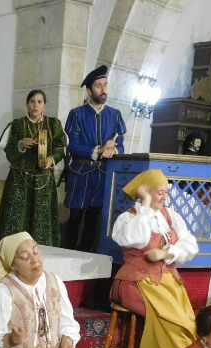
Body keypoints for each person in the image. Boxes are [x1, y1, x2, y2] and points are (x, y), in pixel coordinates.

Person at [110, 169, 198, 348]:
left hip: (167, 282)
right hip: (135, 283)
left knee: (189, 326)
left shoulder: (170, 216)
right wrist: (146, 206)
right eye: (159, 192)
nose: (164, 198)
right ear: (146, 192)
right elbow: (135, 240)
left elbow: (191, 244)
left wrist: (168, 253)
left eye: (166, 193)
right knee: (168, 325)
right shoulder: (128, 218)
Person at [63, 65, 126, 252]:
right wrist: (98, 150)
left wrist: (113, 151)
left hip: (103, 174)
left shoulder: (115, 115)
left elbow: (120, 144)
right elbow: (72, 146)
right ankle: (68, 255)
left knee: (94, 218)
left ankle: (86, 256)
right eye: (99, 86)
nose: (104, 89)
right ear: (89, 90)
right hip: (81, 173)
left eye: (105, 85)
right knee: (75, 217)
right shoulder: (77, 114)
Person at [0, 89, 67, 246]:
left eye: (39, 102)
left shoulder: (53, 124)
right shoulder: (16, 125)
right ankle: (11, 253)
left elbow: (60, 147)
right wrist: (20, 145)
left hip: (43, 181)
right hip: (19, 180)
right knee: (15, 219)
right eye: (32, 102)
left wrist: (52, 159)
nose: (36, 105)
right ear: (27, 105)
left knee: (40, 221)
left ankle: (40, 256)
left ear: (44, 105)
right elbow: (8, 151)